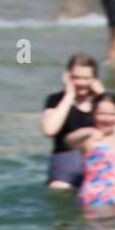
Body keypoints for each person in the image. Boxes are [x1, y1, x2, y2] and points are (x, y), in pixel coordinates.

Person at [39, 53, 107, 190]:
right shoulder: (55, 100)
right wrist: (69, 95)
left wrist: (103, 96)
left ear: (94, 79)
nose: (81, 83)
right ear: (68, 77)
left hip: (94, 164)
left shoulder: (100, 102)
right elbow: (49, 130)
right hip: (64, 167)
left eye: (86, 78)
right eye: (76, 77)